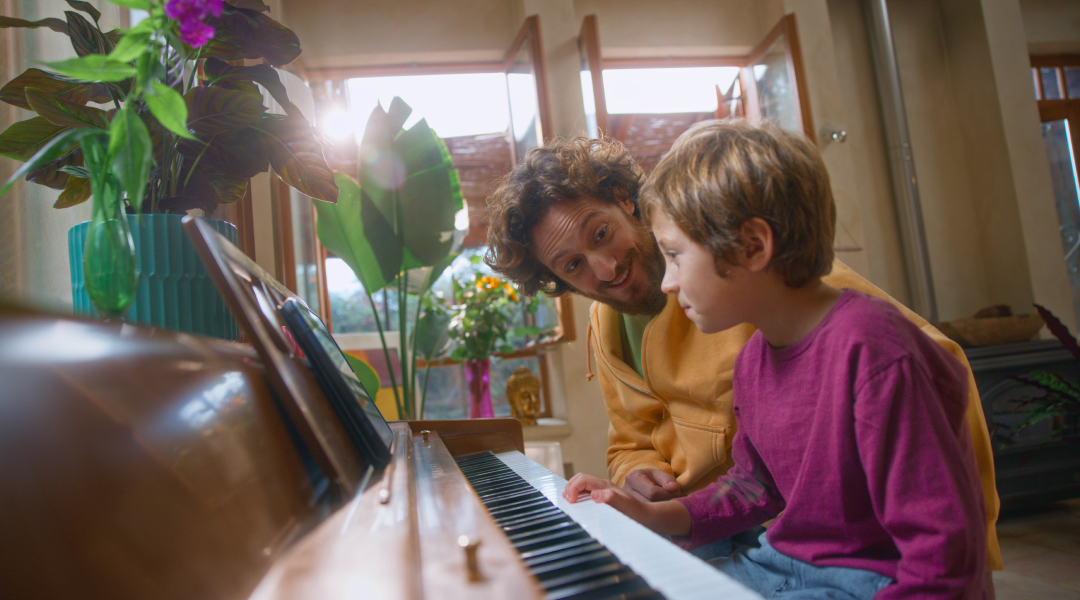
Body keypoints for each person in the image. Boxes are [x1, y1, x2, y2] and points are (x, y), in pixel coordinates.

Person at [483, 126, 1003, 570]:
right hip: (712, 518)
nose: (604, 270)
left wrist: (969, 547)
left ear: (625, 200)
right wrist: (636, 480)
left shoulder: (759, 284)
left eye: (601, 234)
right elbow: (634, 439)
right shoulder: (607, 324)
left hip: (800, 535)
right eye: (572, 266)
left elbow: (933, 365)